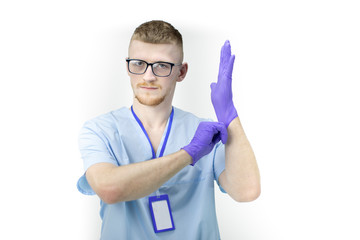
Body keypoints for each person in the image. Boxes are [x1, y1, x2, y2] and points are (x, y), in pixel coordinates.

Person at [77, 20, 261, 240]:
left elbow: (247, 191)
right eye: (138, 63)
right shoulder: (100, 130)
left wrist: (230, 116)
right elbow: (109, 188)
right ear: (127, 66)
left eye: (162, 66)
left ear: (181, 72)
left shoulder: (205, 134)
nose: (148, 76)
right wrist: (189, 154)